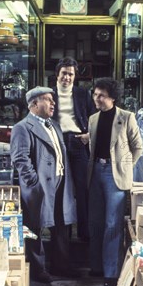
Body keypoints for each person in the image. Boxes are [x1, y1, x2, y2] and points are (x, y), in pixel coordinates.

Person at [10, 86, 78, 283]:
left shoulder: (54, 125)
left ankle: (61, 266)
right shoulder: (22, 127)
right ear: (34, 104)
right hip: (39, 187)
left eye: (52, 100)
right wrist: (34, 183)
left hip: (60, 183)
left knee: (62, 225)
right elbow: (20, 159)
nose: (53, 103)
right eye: (48, 99)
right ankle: (37, 270)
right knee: (34, 227)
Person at [87, 78, 143, 286]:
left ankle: (111, 273)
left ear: (112, 97)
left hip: (115, 175)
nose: (96, 98)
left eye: (101, 95)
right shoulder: (92, 119)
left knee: (113, 224)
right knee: (95, 222)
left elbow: (138, 147)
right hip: (95, 173)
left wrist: (125, 166)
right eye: (95, 94)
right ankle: (96, 267)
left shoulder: (127, 117)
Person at [51, 57, 95, 242]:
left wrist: (88, 136)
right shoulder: (49, 94)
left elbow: (95, 117)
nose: (67, 78)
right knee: (60, 189)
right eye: (64, 73)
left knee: (83, 189)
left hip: (78, 141)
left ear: (75, 76)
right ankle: (63, 235)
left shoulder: (82, 94)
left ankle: (84, 233)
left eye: (70, 74)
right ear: (57, 74)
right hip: (57, 142)